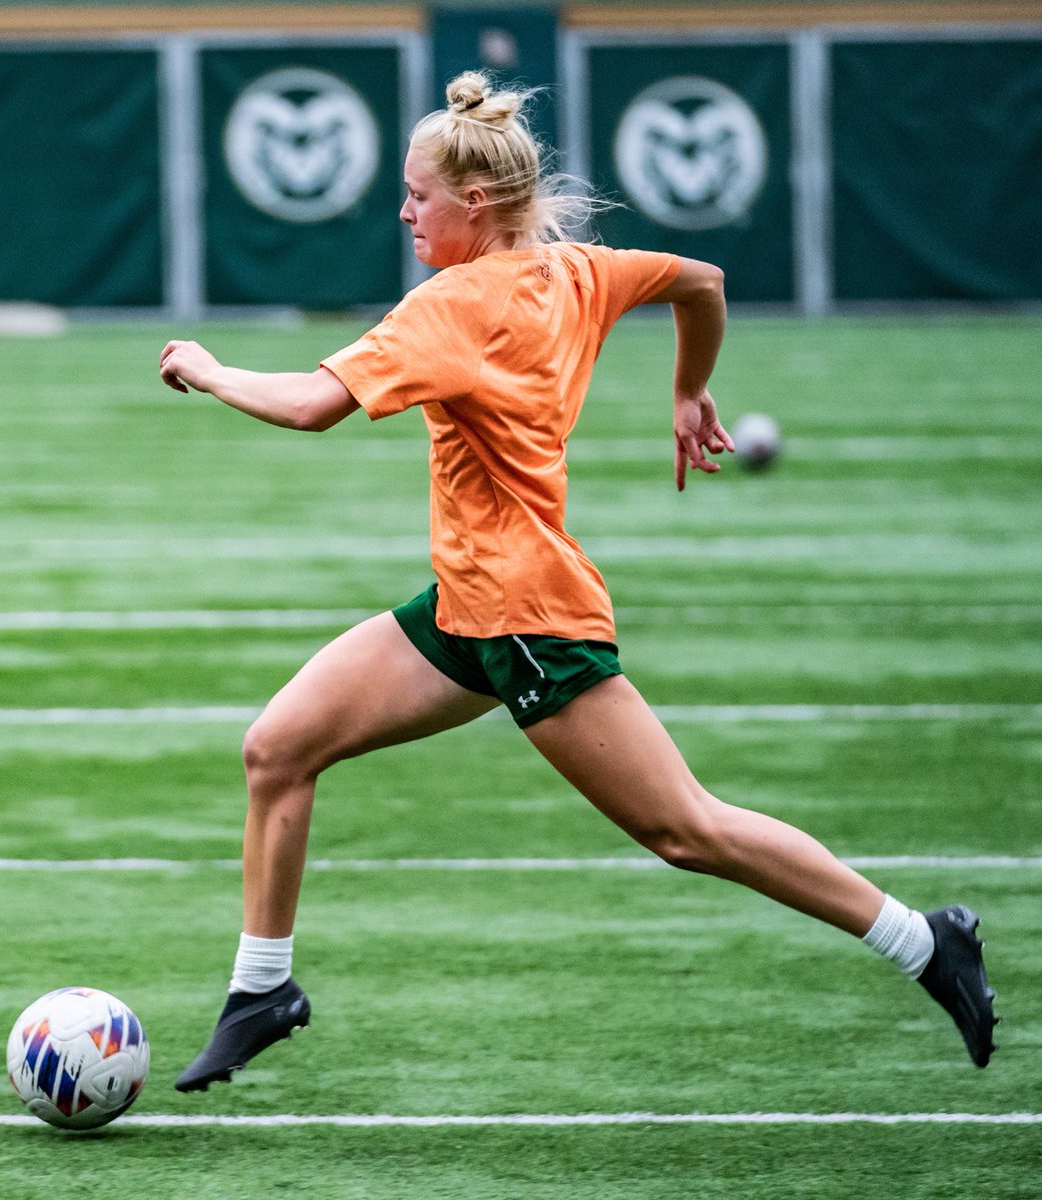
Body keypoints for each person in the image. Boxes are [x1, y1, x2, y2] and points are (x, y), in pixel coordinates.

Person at [159, 72, 996, 1092]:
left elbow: (307, 407)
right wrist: (689, 388)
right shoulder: (580, 272)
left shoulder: (454, 306)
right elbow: (705, 281)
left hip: (524, 621)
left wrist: (205, 367)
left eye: (417, 195)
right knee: (279, 748)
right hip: (466, 607)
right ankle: (263, 991)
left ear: (474, 202)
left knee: (684, 829)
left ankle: (925, 941)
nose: (404, 211)